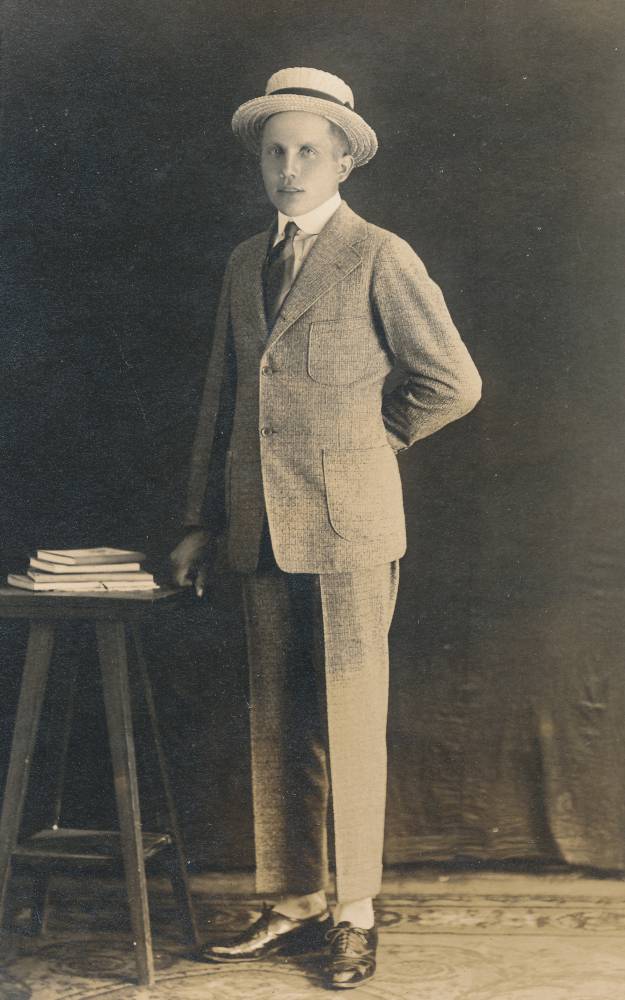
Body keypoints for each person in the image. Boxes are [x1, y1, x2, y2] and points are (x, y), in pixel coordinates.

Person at [170, 66, 481, 990]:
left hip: (350, 530)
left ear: (343, 161)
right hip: (259, 527)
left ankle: (354, 913)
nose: (290, 168)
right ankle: (295, 900)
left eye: (309, 151)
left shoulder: (379, 254)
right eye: (275, 152)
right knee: (278, 723)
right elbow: (223, 400)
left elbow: (452, 382)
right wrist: (198, 521)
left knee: (347, 719)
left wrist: (375, 441)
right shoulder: (244, 262)